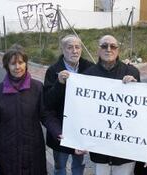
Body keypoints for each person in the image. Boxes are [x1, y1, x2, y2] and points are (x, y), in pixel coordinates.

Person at [0, 46, 60, 175]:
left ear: (26, 63)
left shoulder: (37, 87)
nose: (17, 67)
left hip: (33, 147)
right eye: (13, 63)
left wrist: (58, 132)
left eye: (21, 62)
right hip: (7, 149)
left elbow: (46, 115)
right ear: (6, 66)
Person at [83, 35, 140, 175]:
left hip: (124, 150)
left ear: (118, 50)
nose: (108, 49)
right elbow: (84, 109)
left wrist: (135, 88)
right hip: (100, 149)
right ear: (98, 50)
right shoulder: (88, 75)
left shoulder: (131, 72)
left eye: (113, 46)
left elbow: (139, 108)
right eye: (104, 46)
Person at [43, 34, 94, 175]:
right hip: (61, 130)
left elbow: (105, 85)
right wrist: (59, 84)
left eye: (77, 47)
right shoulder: (53, 71)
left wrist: (126, 69)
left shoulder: (90, 68)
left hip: (80, 130)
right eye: (69, 47)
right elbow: (47, 102)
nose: (74, 51)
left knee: (78, 165)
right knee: (60, 166)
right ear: (62, 49)